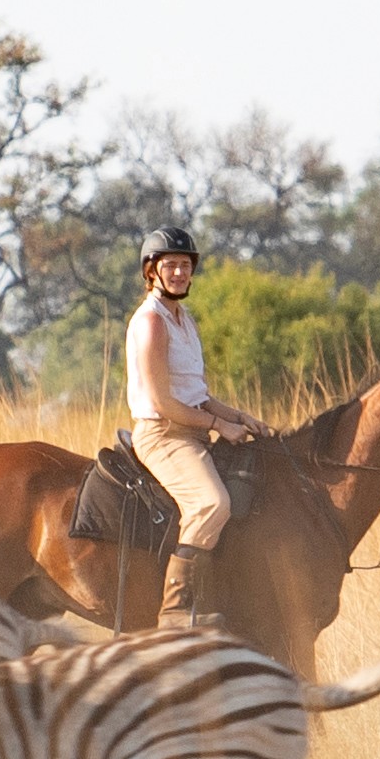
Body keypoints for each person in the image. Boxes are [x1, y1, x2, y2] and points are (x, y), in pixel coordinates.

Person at [121, 227, 255, 619]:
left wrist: (243, 418)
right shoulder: (152, 323)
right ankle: (176, 613)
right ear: (152, 272)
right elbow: (165, 403)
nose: (179, 273)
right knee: (211, 503)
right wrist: (220, 426)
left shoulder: (185, 319)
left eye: (185, 265)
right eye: (171, 266)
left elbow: (199, 393)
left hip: (192, 429)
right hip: (164, 436)